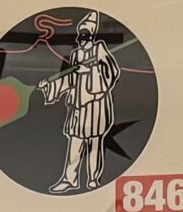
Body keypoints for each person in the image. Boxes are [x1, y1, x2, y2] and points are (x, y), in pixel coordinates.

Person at [38, 11, 121, 194]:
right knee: (75, 142)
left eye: (84, 36)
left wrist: (91, 72)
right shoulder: (75, 54)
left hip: (95, 106)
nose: (81, 40)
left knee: (95, 143)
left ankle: (93, 178)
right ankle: (70, 179)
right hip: (78, 106)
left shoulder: (100, 50)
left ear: (91, 35)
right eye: (80, 36)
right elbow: (69, 78)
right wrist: (50, 86)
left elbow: (111, 74)